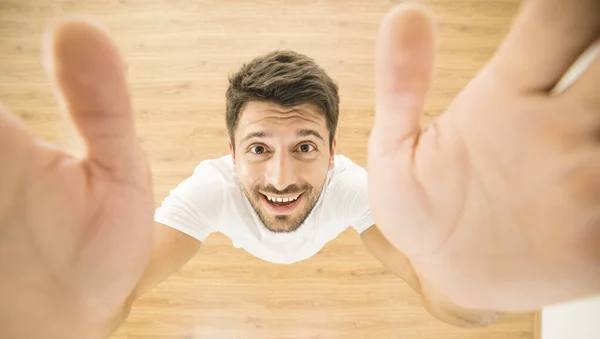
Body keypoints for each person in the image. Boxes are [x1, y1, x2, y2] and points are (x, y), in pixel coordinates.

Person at [0, 0, 597, 338]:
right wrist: (70, 311)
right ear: (230, 153)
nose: (282, 176)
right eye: (259, 148)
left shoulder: (354, 188)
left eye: (305, 146)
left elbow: (436, 294)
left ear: (334, 151)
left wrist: (472, 288)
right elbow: (118, 292)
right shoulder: (208, 191)